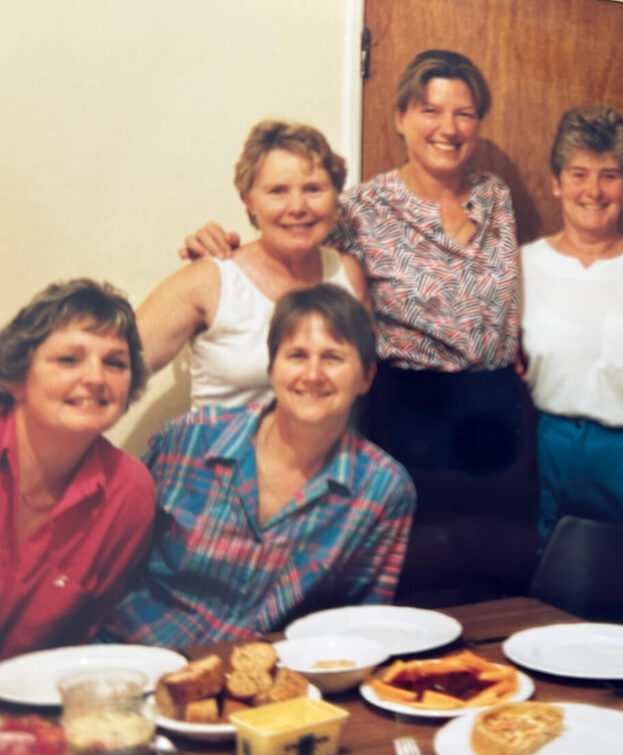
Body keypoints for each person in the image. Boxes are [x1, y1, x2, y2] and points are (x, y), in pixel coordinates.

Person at [180, 50, 527, 602]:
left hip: (498, 405)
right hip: (412, 407)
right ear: (400, 118)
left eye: (464, 113)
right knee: (422, 578)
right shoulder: (363, 207)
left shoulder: (496, 197)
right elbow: (291, 237)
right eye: (430, 110)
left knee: (504, 572)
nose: (448, 127)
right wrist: (217, 244)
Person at [99, 284, 415, 648]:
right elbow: (107, 557)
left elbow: (361, 622)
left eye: (333, 358)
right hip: (132, 656)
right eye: (297, 355)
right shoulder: (189, 439)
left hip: (254, 682)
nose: (313, 374)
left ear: (366, 377)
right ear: (271, 368)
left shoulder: (383, 488)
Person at [138, 119, 368, 409]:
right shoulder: (211, 280)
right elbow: (113, 366)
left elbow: (360, 387)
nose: (297, 207)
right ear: (249, 201)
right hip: (220, 450)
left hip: (324, 452)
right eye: (278, 191)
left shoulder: (347, 274)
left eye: (313, 189)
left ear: (335, 197)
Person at [520, 106, 623, 545]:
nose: (594, 191)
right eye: (579, 174)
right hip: (548, 451)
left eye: (610, 175)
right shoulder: (522, 266)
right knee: (548, 591)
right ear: (556, 182)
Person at [0, 279, 154, 659]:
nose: (96, 378)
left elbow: (81, 641)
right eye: (69, 359)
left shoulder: (129, 494)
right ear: (17, 378)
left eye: (114, 363)